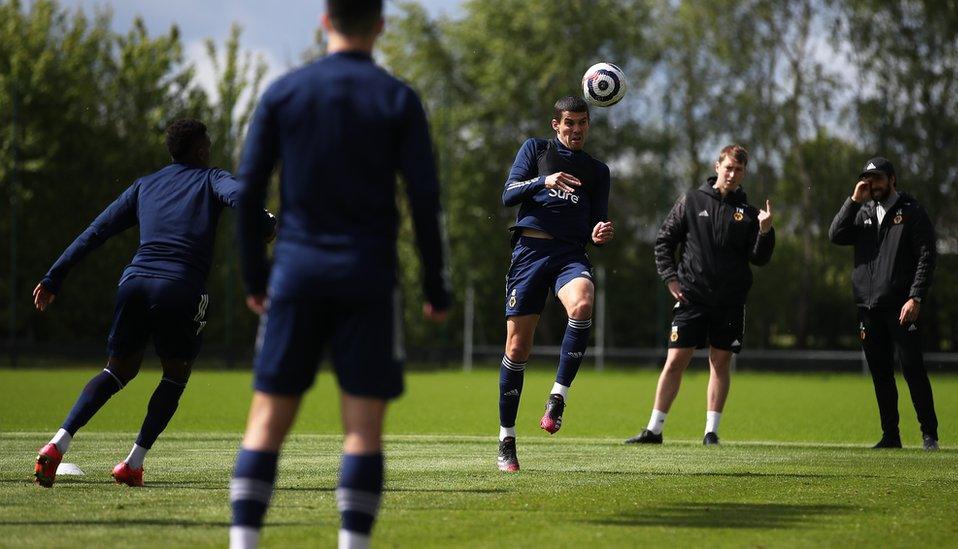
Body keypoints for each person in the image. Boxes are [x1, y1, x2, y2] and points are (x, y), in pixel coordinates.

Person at [228, 1, 451, 548]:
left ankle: (243, 542)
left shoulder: (285, 92)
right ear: (380, 25)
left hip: (296, 274)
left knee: (266, 422)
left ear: (324, 22)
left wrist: (256, 277)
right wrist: (434, 284)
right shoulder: (398, 98)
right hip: (369, 278)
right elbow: (425, 200)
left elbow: (249, 189)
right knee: (362, 430)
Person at [31, 119, 275, 488]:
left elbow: (96, 231)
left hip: (134, 282)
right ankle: (132, 463)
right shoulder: (211, 177)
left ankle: (56, 444)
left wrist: (54, 276)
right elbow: (244, 197)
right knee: (175, 374)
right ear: (202, 150)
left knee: (117, 370)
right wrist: (265, 223)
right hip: (180, 286)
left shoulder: (145, 185)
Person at [625, 145, 773, 446]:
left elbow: (759, 258)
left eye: (739, 170)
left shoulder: (749, 213)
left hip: (730, 301)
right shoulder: (691, 201)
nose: (732, 174)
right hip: (692, 296)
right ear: (717, 165)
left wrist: (766, 231)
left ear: (744, 173)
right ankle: (654, 429)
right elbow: (664, 241)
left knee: (720, 363)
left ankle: (711, 432)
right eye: (728, 167)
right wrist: (670, 278)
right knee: (675, 361)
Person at [496, 96, 614, 473]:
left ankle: (558, 397)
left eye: (582, 123)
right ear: (556, 125)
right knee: (517, 348)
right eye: (569, 123)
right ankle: (507, 439)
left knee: (582, 304)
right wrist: (543, 180)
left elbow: (598, 223)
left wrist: (600, 232)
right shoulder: (536, 150)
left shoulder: (599, 171)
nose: (576, 130)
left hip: (569, 255)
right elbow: (507, 195)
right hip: (530, 252)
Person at [828, 157, 938, 450]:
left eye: (877, 178)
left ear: (892, 179)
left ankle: (930, 435)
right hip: (868, 306)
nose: (872, 184)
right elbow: (835, 234)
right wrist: (853, 200)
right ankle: (891, 436)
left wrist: (916, 296)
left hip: (902, 306)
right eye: (868, 178)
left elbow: (927, 256)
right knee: (880, 373)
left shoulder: (912, 212)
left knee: (913, 368)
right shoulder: (862, 210)